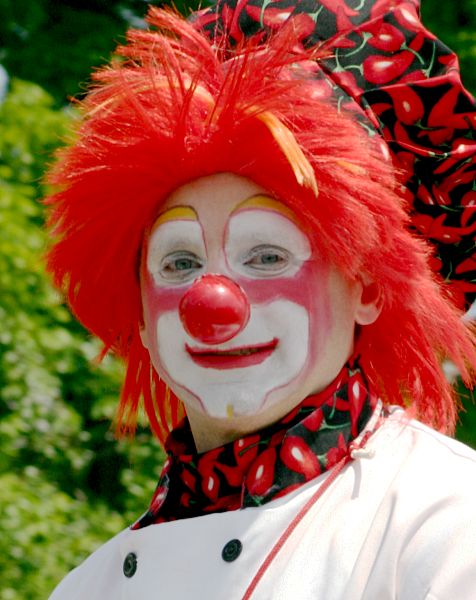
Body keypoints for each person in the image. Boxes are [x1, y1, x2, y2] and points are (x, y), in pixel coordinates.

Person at [47, 1, 476, 598]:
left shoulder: (449, 528)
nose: (213, 301)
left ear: (370, 288)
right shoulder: (85, 588)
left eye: (267, 256)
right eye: (179, 263)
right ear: (142, 316)